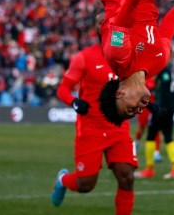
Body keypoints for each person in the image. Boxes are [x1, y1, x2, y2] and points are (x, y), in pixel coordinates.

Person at [50, 14, 137, 215]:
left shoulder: (125, 54)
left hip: (118, 126)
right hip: (91, 128)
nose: (107, 25)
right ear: (96, 29)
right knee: (86, 185)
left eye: (111, 22)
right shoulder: (83, 57)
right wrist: (74, 102)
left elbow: (134, 86)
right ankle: (62, 180)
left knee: (127, 177)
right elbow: (63, 88)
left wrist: (148, 104)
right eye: (102, 23)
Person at [134, 65, 174, 179]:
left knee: (151, 136)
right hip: (170, 108)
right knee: (168, 137)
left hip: (163, 108)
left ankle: (149, 169)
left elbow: (165, 89)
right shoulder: (169, 71)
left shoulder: (164, 72)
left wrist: (155, 106)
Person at [133, 77, 162, 162]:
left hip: (153, 109)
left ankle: (156, 152)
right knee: (141, 129)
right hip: (145, 109)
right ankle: (137, 143)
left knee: (155, 130)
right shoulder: (145, 81)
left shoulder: (156, 81)